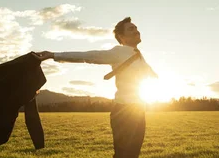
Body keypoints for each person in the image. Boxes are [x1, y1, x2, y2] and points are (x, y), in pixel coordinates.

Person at [33, 17, 157, 158]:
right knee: (124, 155)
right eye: (131, 29)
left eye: (136, 28)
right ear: (122, 37)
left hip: (138, 110)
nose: (136, 31)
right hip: (124, 111)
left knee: (134, 153)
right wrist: (54, 55)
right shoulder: (118, 52)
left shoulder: (139, 55)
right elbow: (89, 56)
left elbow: (149, 74)